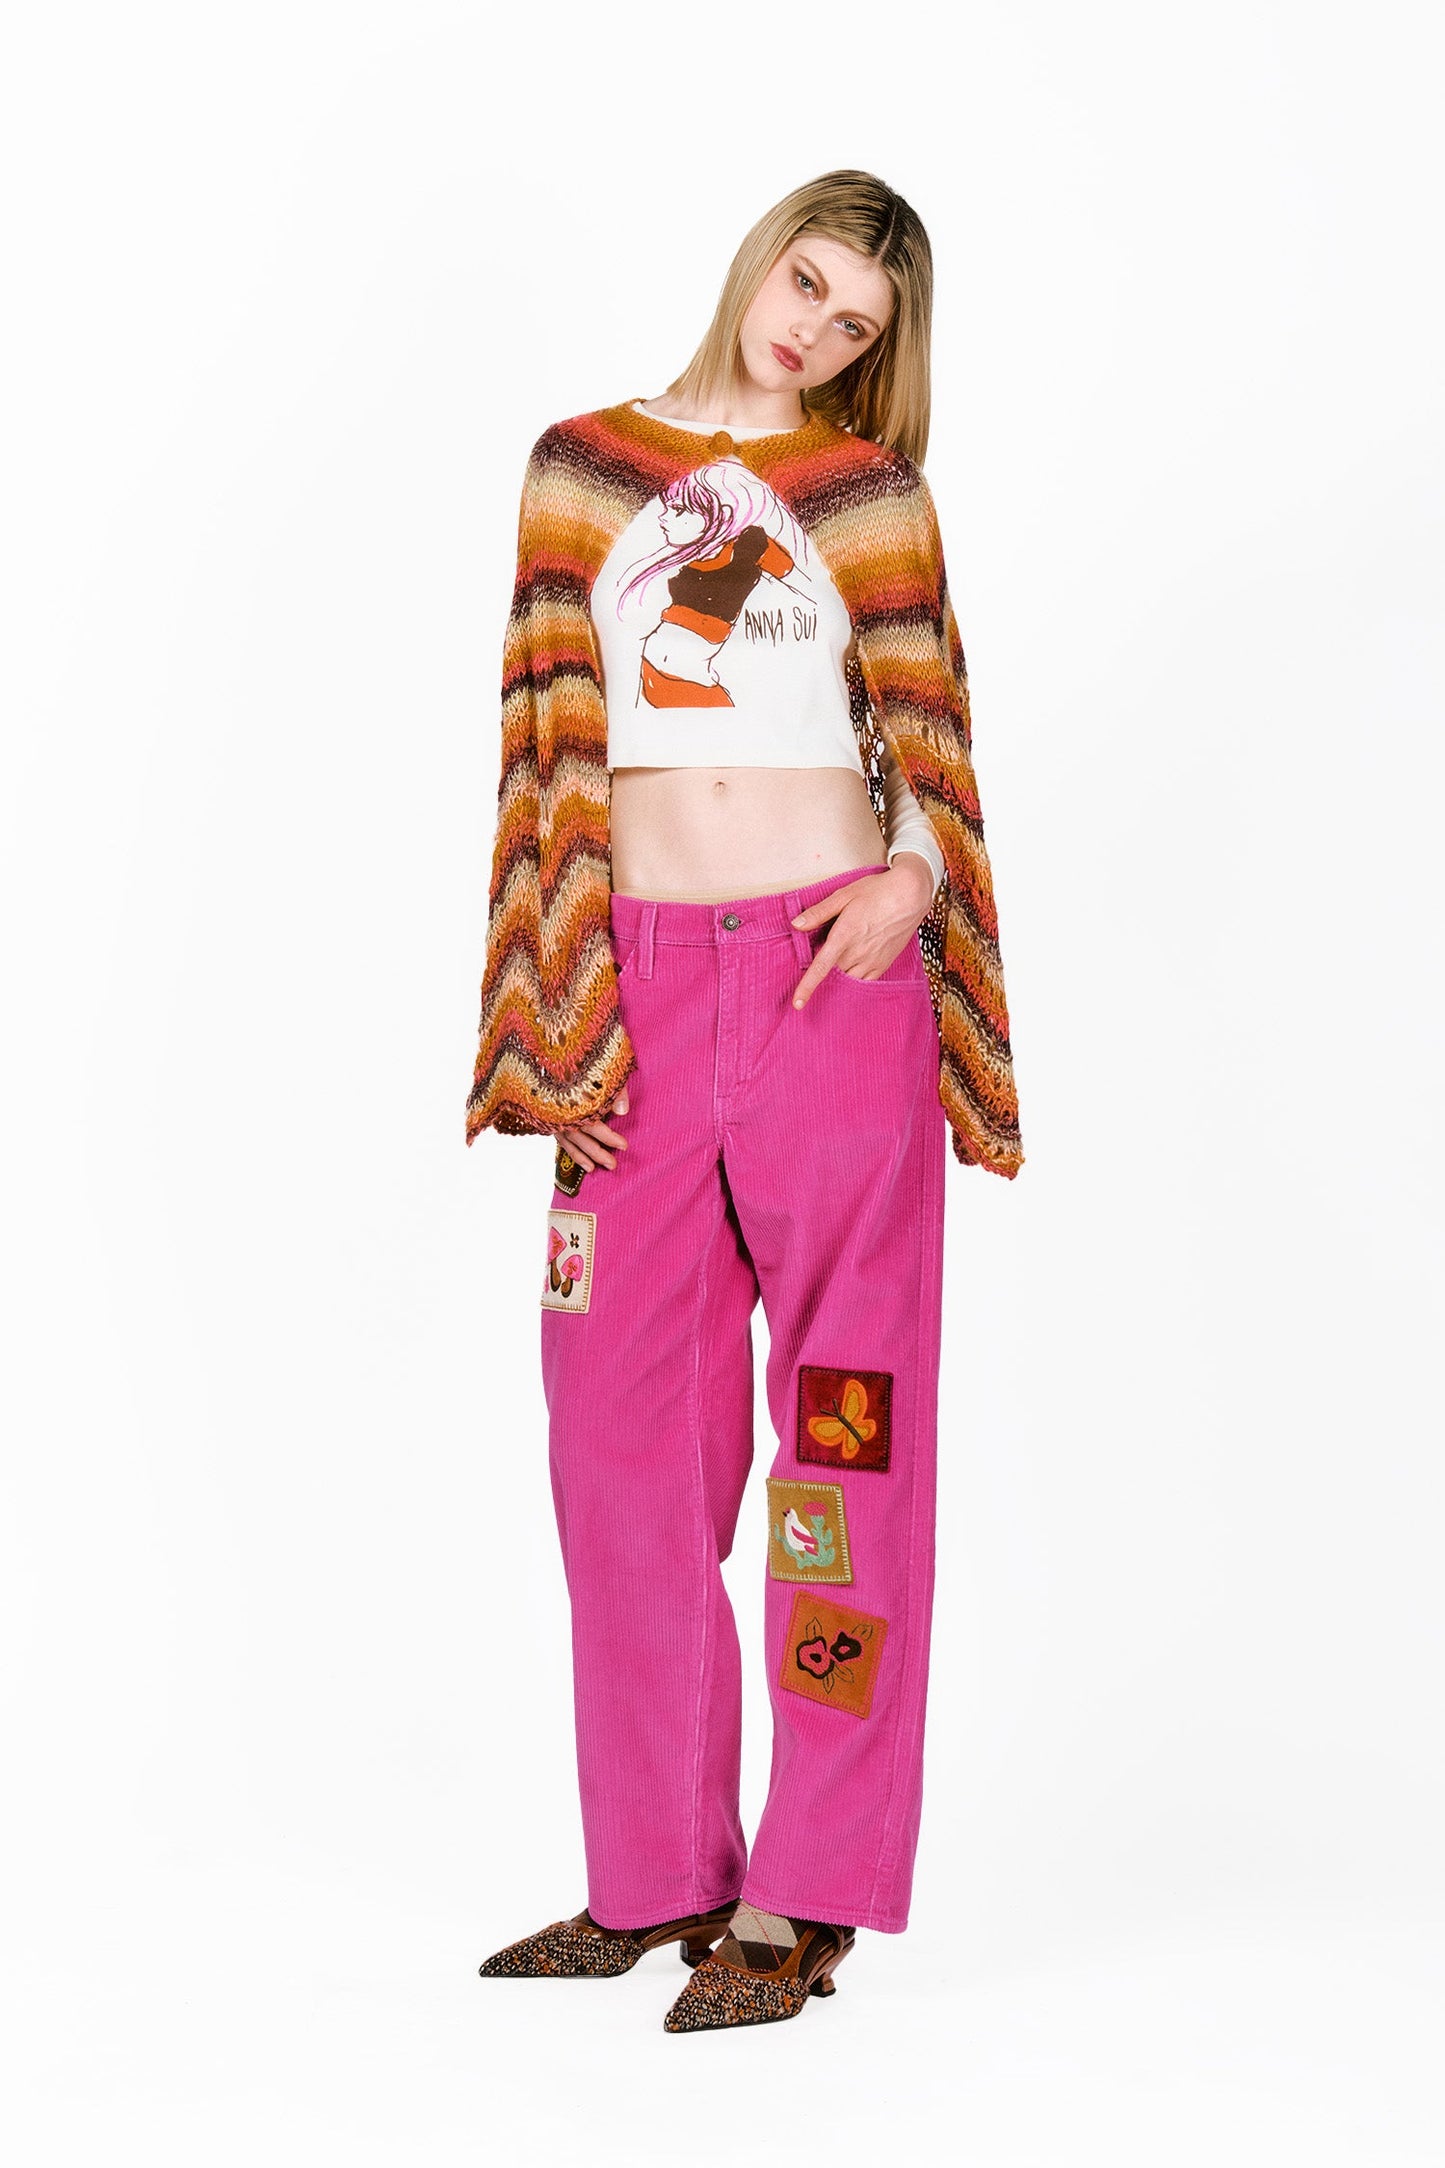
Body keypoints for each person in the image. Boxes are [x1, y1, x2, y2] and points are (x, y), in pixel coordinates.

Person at [466, 168, 1024, 2032]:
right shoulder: (579, 473)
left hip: (826, 981)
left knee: (845, 1444)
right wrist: (552, 1016)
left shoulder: (869, 498)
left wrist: (907, 888)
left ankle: (807, 1893)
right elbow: (538, 758)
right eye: (805, 285)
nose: (812, 332)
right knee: (614, 1451)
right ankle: (655, 1876)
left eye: (853, 324)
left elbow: (933, 743)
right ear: (756, 257)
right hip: (629, 991)